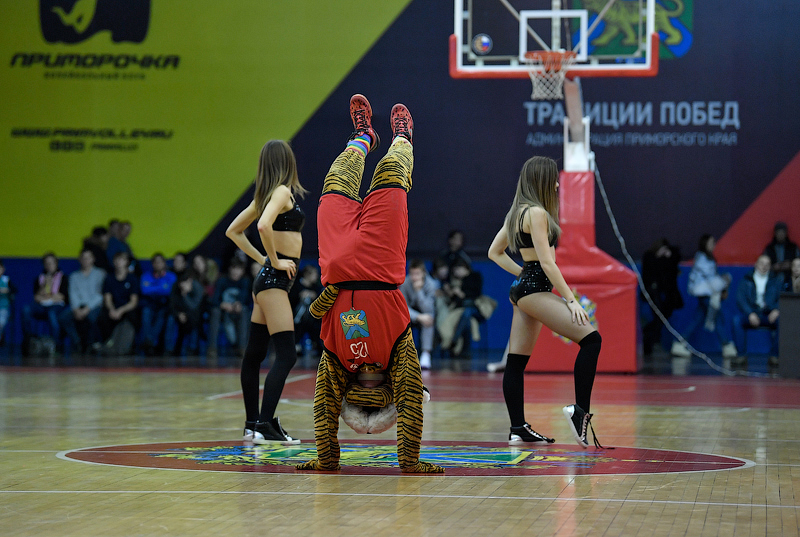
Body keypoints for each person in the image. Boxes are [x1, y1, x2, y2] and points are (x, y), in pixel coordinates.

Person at [294, 95, 442, 473]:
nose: (369, 391)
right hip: (381, 262)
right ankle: (402, 138)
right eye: (377, 398)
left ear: (351, 396)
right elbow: (411, 400)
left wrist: (327, 460)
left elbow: (323, 407)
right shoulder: (398, 352)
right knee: (391, 174)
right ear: (388, 394)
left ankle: (363, 137)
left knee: (335, 180)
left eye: (363, 400)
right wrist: (411, 463)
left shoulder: (335, 358)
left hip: (337, 262)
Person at [488, 155, 602, 449]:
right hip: (535, 290)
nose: (556, 185)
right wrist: (571, 300)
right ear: (542, 180)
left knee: (516, 362)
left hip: (524, 290)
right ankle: (580, 412)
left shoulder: (517, 213)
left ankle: (518, 428)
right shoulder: (537, 213)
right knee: (592, 340)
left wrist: (522, 274)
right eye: (553, 179)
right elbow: (548, 264)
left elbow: (494, 252)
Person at [225, 139, 308, 445]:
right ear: (287, 162)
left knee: (255, 354)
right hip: (274, 283)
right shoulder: (282, 192)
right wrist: (273, 260)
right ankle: (264, 424)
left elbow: (233, 231)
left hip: (266, 282)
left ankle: (252, 425)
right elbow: (262, 226)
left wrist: (262, 261)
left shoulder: (266, 196)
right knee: (287, 354)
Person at [670, 234, 737, 359]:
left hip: (706, 293)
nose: (713, 245)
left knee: (697, 318)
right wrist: (724, 282)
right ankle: (726, 345)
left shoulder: (706, 258)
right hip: (705, 294)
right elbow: (710, 279)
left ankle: (679, 343)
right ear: (704, 244)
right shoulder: (702, 259)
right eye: (711, 243)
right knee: (716, 317)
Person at [733, 254, 782, 369]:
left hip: (768, 314)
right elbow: (740, 299)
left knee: (782, 321)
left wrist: (776, 309)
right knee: (736, 321)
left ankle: (775, 356)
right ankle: (741, 356)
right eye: (761, 263)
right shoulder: (747, 279)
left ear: (770, 266)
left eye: (767, 264)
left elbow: (782, 297)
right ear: (756, 264)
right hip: (752, 313)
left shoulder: (775, 280)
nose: (764, 266)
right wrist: (750, 313)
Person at [640, 238, 684, 356]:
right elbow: (650, 274)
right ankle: (650, 338)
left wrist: (668, 255)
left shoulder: (666, 259)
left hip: (662, 293)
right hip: (652, 292)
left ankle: (650, 337)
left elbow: (671, 269)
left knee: (661, 317)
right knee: (658, 317)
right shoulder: (650, 257)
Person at [22, 252, 69, 353]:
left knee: (52, 314)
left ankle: (57, 344)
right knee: (26, 309)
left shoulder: (63, 278)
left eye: (51, 263)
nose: (49, 266)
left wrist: (48, 296)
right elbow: (36, 297)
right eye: (46, 263)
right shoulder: (39, 278)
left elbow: (62, 297)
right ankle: (29, 340)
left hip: (57, 306)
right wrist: (44, 285)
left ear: (56, 263)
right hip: (41, 306)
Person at [60, 249, 105, 353]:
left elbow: (100, 294)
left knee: (91, 317)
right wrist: (76, 309)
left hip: (95, 306)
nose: (86, 260)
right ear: (79, 260)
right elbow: (73, 294)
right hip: (78, 306)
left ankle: (90, 345)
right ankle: (77, 342)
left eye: (88, 258)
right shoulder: (74, 276)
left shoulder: (100, 274)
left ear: (93, 259)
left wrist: (87, 308)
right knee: (63, 318)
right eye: (83, 258)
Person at [97, 251, 139, 356]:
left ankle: (125, 346)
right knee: (102, 316)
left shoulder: (132, 279)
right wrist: (112, 310)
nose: (118, 262)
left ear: (126, 262)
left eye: (121, 260)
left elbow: (133, 302)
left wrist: (121, 311)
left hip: (126, 309)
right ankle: (107, 343)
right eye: (116, 260)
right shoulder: (109, 278)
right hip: (113, 308)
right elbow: (107, 298)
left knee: (131, 318)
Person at [207, 258, 252, 358]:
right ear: (229, 269)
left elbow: (246, 299)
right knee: (215, 312)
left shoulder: (245, 281)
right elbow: (214, 300)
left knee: (244, 311)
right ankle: (212, 348)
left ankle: (242, 348)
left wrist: (238, 304)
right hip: (223, 312)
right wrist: (222, 304)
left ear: (242, 271)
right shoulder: (222, 281)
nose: (236, 272)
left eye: (239, 269)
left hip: (238, 311)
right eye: (234, 268)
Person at [400, 259, 438, 370]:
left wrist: (418, 291)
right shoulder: (405, 283)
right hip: (410, 315)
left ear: (423, 273)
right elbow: (403, 307)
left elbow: (428, 308)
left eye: (417, 274)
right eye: (412, 274)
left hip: (425, 313)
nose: (414, 277)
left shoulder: (431, 284)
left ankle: (426, 354)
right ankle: (402, 355)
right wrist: (418, 317)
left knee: (429, 319)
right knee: (398, 320)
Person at [139, 253, 177, 355]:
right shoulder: (146, 276)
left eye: (160, 262)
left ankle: (149, 342)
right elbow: (145, 290)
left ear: (164, 263)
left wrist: (153, 287)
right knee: (145, 312)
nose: (158, 264)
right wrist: (161, 287)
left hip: (164, 304)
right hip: (150, 303)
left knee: (162, 315)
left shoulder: (171, 276)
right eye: (155, 262)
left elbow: (169, 291)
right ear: (152, 264)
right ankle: (150, 341)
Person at [288, 264, 323, 357]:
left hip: (312, 317)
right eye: (314, 274)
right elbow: (291, 300)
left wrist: (314, 296)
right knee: (301, 322)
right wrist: (300, 295)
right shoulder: (296, 286)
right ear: (307, 275)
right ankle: (296, 345)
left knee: (313, 323)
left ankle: (318, 346)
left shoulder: (316, 287)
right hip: (297, 316)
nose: (317, 277)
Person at [168, 272, 205, 357]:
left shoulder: (197, 287)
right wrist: (178, 314)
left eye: (186, 282)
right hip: (179, 313)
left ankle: (192, 348)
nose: (183, 285)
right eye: (182, 282)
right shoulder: (175, 287)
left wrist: (185, 295)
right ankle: (170, 349)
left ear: (190, 281)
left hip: (194, 314)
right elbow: (172, 305)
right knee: (170, 319)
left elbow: (194, 307)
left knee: (195, 320)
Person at [0, 260, 17, 345]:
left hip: (3, 308)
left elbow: (14, 290)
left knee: (1, 322)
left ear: (3, 269)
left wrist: (7, 290)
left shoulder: (6, 280)